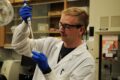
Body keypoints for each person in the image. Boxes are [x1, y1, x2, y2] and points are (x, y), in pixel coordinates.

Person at [12, 5, 95, 80]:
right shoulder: (50, 43)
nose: (61, 29)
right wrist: (24, 24)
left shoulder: (86, 62)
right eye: (60, 24)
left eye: (67, 26)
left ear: (81, 30)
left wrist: (47, 70)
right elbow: (19, 45)